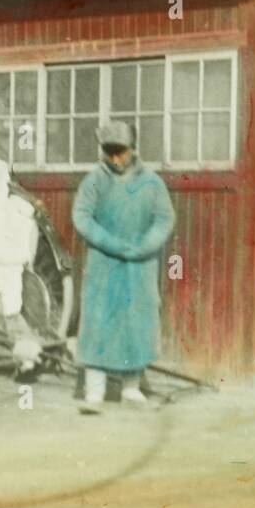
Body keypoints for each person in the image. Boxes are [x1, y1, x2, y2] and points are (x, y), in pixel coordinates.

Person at [72, 121, 176, 413]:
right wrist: (110, 243)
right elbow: (82, 216)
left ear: (133, 149)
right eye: (110, 153)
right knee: (98, 323)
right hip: (104, 263)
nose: (116, 159)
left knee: (136, 323)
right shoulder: (95, 180)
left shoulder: (152, 183)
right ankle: (95, 390)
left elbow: (164, 219)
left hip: (139, 266)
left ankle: (131, 388)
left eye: (122, 152)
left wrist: (144, 247)